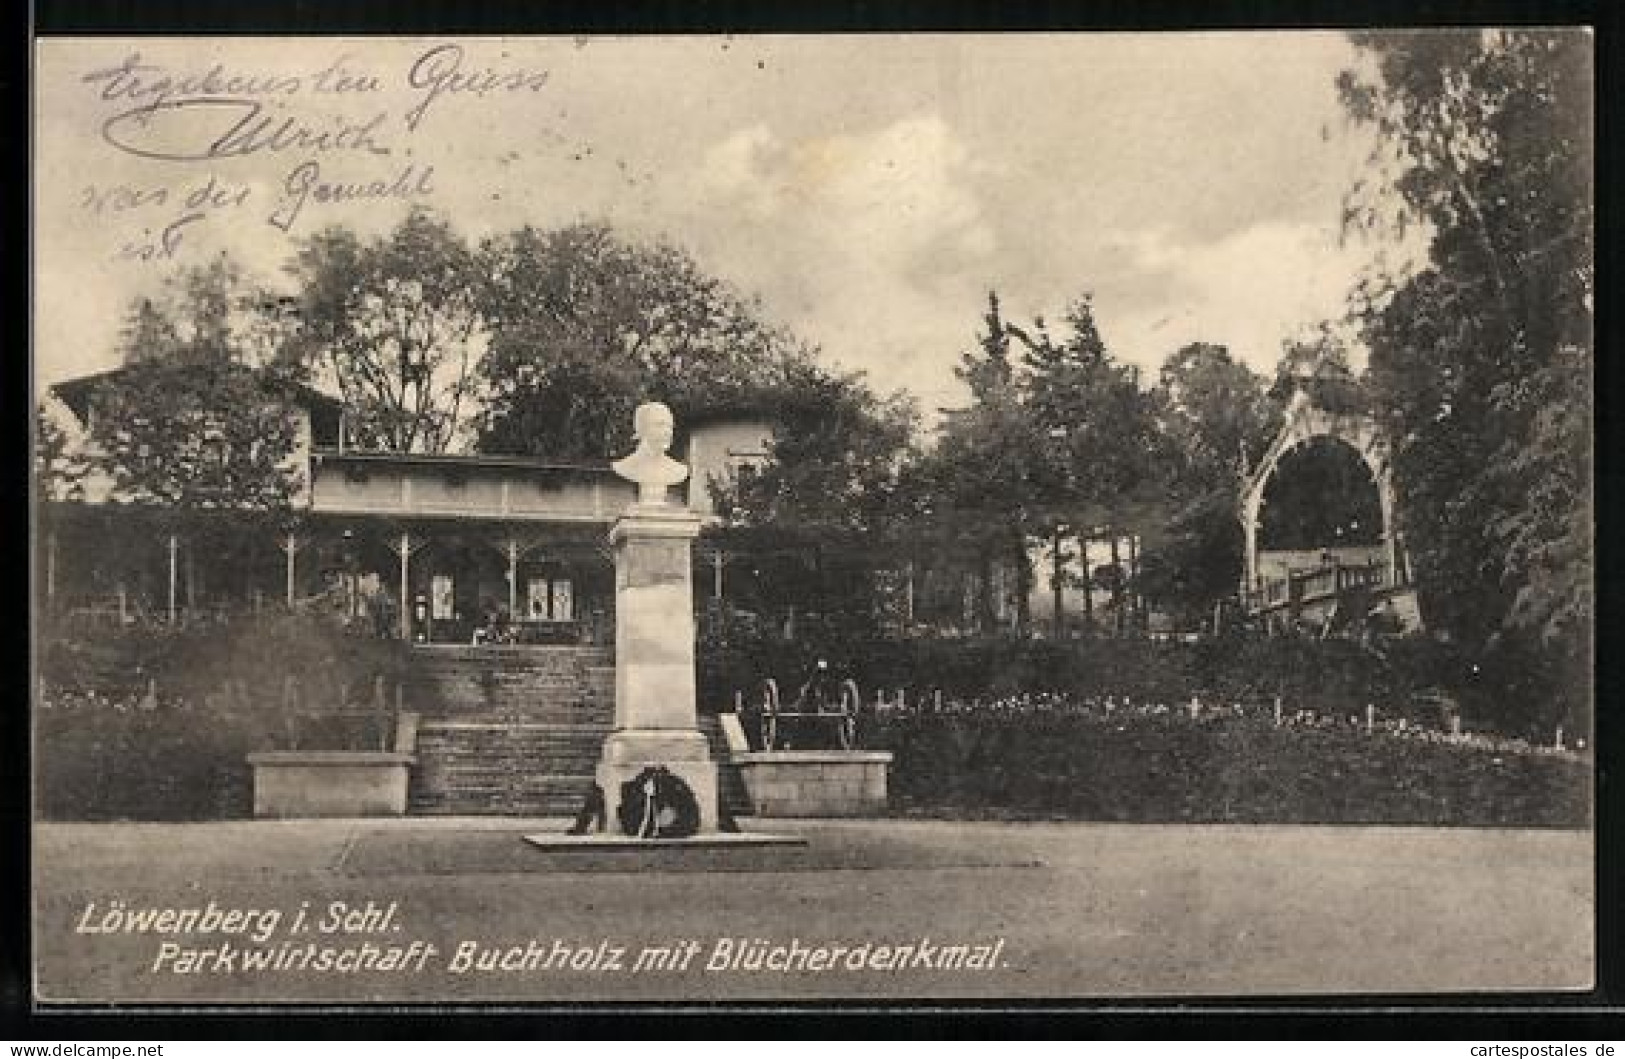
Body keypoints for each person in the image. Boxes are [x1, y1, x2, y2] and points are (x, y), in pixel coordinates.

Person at [611, 401, 689, 506]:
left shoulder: (679, 470)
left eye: (670, 427)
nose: (667, 432)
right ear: (642, 429)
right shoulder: (624, 466)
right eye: (660, 425)